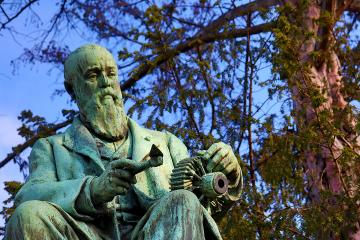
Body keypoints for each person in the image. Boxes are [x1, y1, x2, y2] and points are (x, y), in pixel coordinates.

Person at [5, 44, 242, 240]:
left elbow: (203, 206)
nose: (105, 83)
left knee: (184, 200)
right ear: (73, 89)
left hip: (156, 233)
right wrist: (93, 190)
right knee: (28, 215)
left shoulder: (167, 143)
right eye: (93, 75)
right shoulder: (52, 148)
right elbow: (27, 196)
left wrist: (227, 172)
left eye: (111, 74)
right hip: (87, 235)